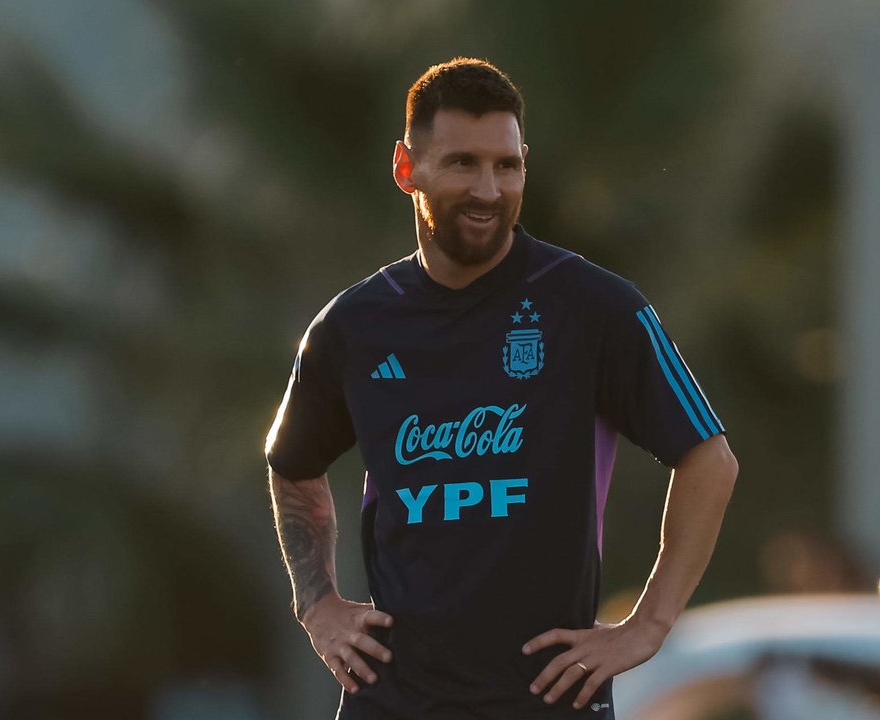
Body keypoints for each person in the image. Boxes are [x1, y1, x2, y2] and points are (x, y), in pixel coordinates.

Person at [265, 57, 738, 720]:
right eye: (462, 163)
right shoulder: (353, 325)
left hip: (549, 700)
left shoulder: (594, 307)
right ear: (407, 169)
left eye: (506, 165)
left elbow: (709, 459)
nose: (488, 189)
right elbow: (292, 466)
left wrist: (648, 625)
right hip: (395, 704)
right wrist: (317, 603)